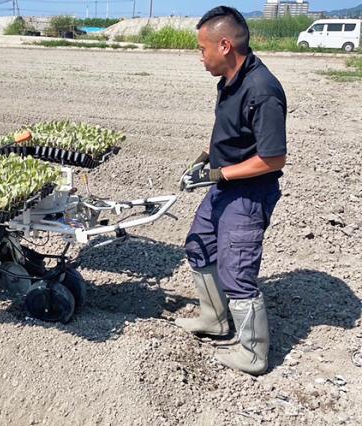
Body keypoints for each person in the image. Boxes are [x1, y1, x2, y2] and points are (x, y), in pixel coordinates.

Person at [176, 6, 287, 376]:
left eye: (202, 48)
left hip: (248, 193)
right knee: (199, 245)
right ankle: (215, 319)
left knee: (237, 270)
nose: (199, 56)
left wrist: (218, 174)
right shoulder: (228, 80)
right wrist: (204, 157)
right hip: (225, 185)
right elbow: (228, 130)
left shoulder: (263, 90)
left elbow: (273, 159)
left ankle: (253, 354)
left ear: (224, 45)